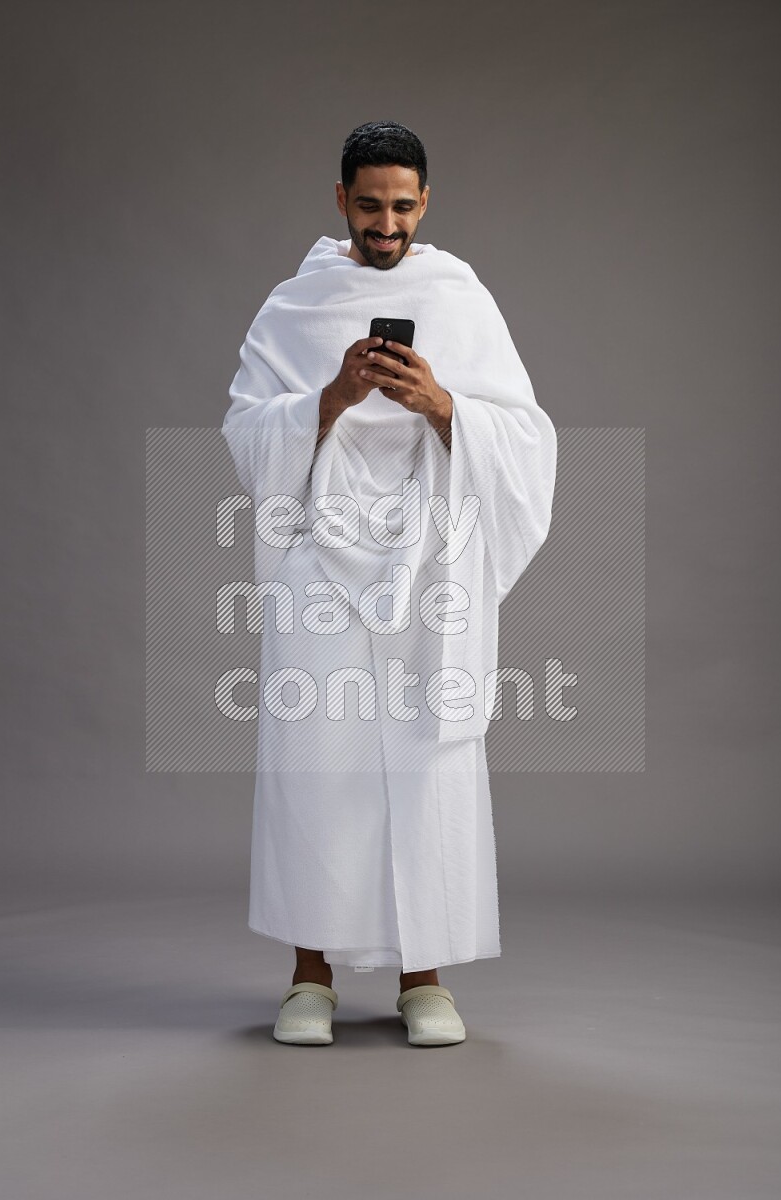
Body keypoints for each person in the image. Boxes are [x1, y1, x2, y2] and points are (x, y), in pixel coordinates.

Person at [221, 120, 557, 1046]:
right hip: (319, 566)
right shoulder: (294, 305)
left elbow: (527, 437)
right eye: (368, 204)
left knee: (426, 761)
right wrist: (328, 398)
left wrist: (442, 405)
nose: (386, 222)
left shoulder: (460, 296)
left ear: (425, 202)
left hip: (430, 562)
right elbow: (247, 433)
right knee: (315, 763)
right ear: (340, 201)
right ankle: (309, 979)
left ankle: (425, 979)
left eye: (403, 205)